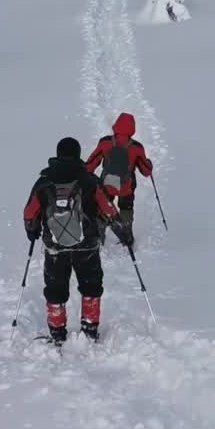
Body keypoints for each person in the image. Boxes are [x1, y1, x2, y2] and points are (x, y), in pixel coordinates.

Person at [23, 136, 129, 344]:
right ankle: (89, 329)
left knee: (55, 288)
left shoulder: (44, 181)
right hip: (86, 245)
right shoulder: (88, 179)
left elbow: (29, 213)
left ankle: (57, 332)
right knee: (91, 285)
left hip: (55, 247)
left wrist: (32, 230)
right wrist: (122, 231)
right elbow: (107, 208)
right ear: (78, 154)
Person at [86, 112, 152, 243]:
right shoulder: (136, 147)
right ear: (132, 128)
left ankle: (99, 234)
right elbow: (146, 171)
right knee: (126, 207)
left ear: (116, 125)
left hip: (107, 184)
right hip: (126, 186)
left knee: (103, 206)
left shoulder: (105, 142)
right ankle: (126, 235)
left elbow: (91, 164)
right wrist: (149, 164)